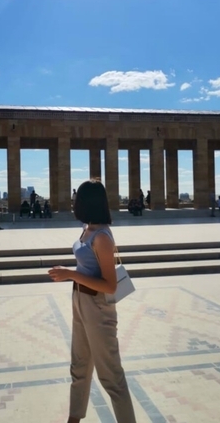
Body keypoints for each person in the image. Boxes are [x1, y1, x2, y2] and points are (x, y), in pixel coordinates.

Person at [48, 179, 136, 423]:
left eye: (78, 198)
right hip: (80, 301)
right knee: (79, 366)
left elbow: (109, 285)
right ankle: (74, 418)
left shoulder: (102, 238)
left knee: (111, 376)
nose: (74, 201)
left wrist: (70, 274)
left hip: (98, 306)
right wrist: (72, 277)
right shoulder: (87, 228)